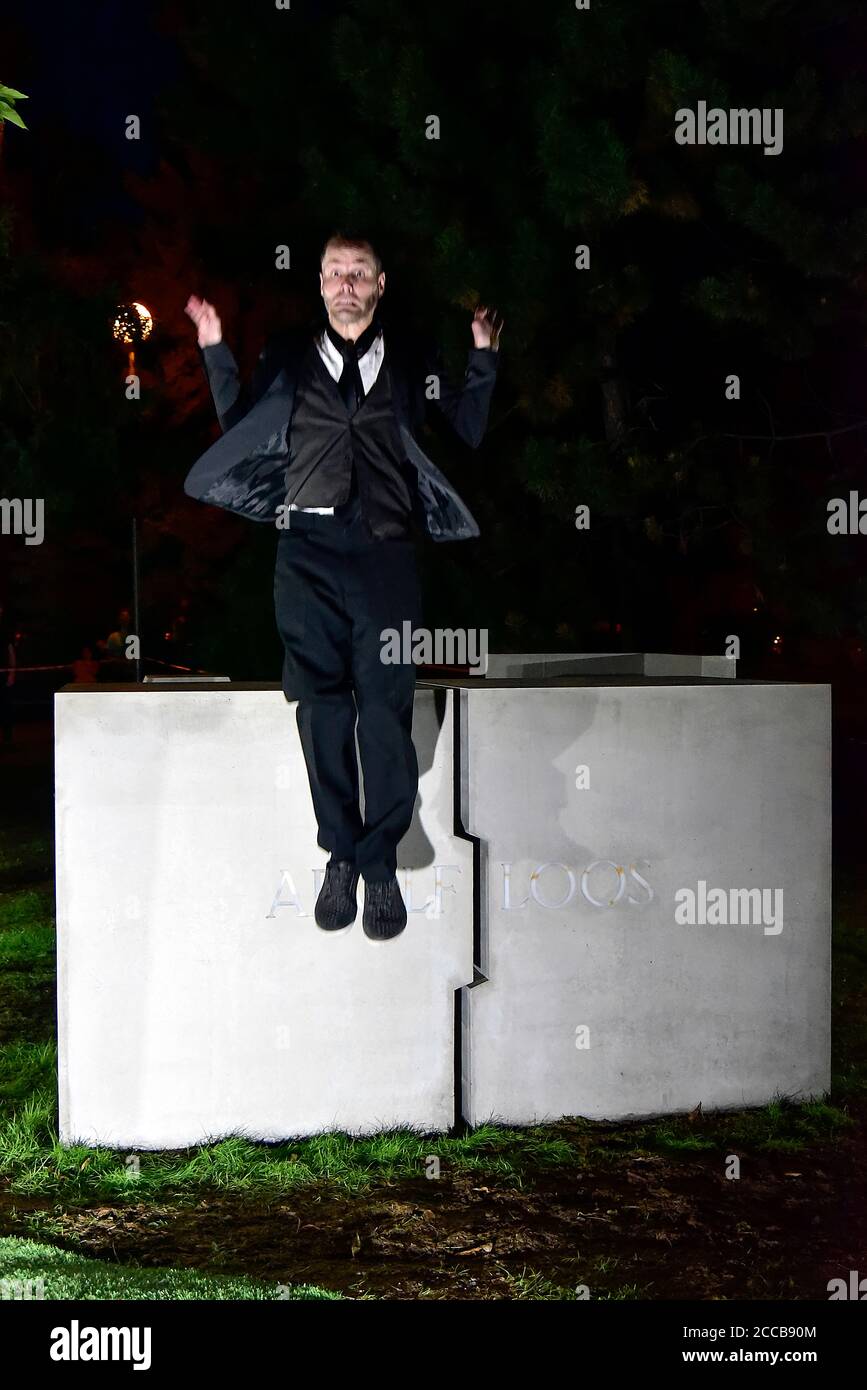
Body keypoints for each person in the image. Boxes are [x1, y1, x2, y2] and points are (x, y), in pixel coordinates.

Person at [184, 233, 502, 940]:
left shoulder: (413, 358)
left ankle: (379, 860)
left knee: (384, 706)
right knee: (319, 706)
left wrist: (482, 358)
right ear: (320, 285)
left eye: (358, 272)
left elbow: (465, 432)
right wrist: (213, 349)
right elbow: (240, 429)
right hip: (306, 551)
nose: (346, 283)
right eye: (334, 273)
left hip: (385, 554)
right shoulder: (287, 357)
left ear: (380, 283)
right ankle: (340, 855)